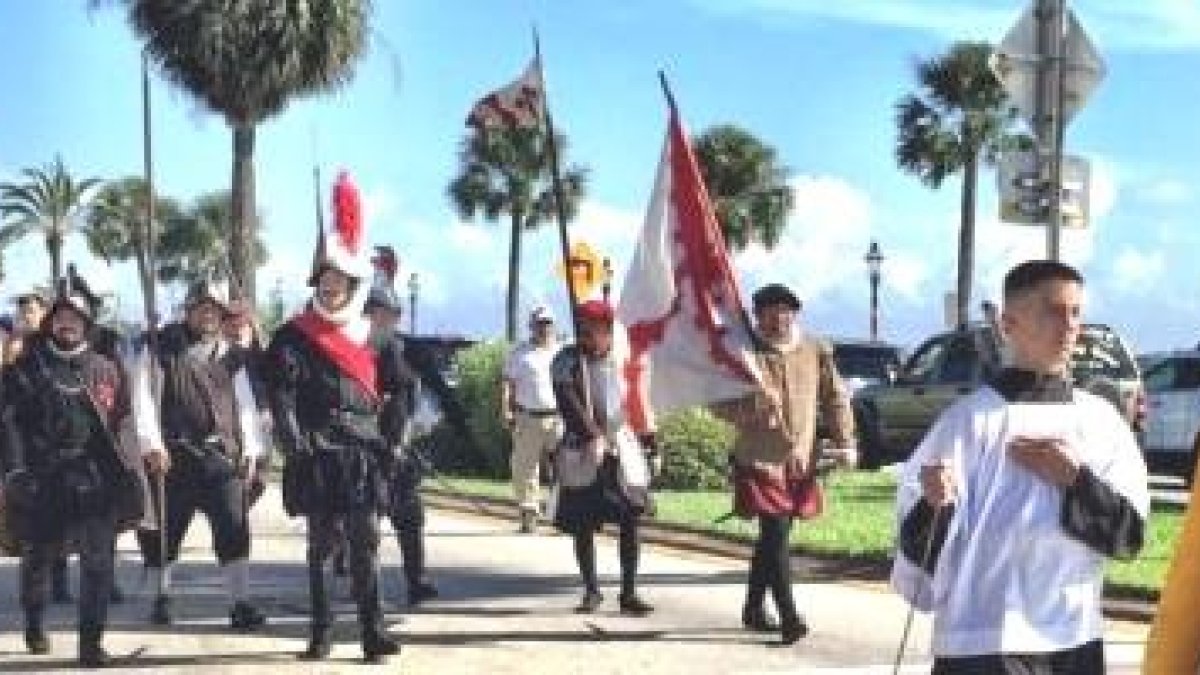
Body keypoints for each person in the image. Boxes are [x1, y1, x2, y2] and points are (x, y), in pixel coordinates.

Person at [891, 261, 1149, 674]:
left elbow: (1129, 537)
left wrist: (1076, 481)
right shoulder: (966, 422)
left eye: (1076, 312)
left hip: (1073, 637)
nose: (1069, 327)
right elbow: (917, 550)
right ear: (1008, 324)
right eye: (1052, 311)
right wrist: (934, 502)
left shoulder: (1102, 423)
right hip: (983, 638)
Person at [266, 171, 400, 663]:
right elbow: (279, 394)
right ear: (315, 284)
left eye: (339, 280)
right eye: (324, 280)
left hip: (363, 452)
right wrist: (293, 442)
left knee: (365, 544)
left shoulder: (376, 337)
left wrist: (395, 437)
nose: (331, 287)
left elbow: (401, 392)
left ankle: (371, 633)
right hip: (317, 451)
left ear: (352, 285)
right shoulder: (293, 335)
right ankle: (320, 635)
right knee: (321, 547)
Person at [1, 278, 142, 666]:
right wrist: (14, 472)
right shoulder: (26, 368)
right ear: (50, 323)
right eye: (60, 317)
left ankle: (90, 646)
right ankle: (33, 620)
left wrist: (133, 463)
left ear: (87, 323)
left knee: (98, 563)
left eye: (75, 318)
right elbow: (8, 423)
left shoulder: (106, 369)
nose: (67, 324)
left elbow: (124, 420)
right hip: (42, 478)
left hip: (94, 478)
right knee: (38, 558)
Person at [712, 283, 856, 646]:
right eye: (771, 311)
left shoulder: (814, 349)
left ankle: (753, 607)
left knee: (773, 538)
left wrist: (845, 441)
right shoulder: (744, 355)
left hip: (800, 461)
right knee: (776, 536)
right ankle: (789, 615)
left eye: (786, 310)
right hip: (760, 461)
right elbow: (717, 405)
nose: (779, 318)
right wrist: (754, 406)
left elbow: (835, 397)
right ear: (757, 316)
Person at [131, 280, 268, 630]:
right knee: (165, 532)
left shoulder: (232, 355)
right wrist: (151, 444)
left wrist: (252, 449)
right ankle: (162, 597)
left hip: (219, 456)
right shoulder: (160, 347)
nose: (208, 315)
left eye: (214, 310)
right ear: (189, 311)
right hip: (172, 456)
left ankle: (240, 603)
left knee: (233, 527)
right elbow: (143, 397)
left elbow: (246, 406)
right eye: (202, 308)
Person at [550, 299, 656, 616]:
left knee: (630, 518)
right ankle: (591, 590)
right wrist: (591, 436)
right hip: (582, 448)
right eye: (582, 329)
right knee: (583, 521)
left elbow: (639, 403)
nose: (586, 336)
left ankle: (628, 591)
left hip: (621, 445)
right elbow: (569, 402)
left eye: (593, 330)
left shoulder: (626, 359)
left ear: (608, 332)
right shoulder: (565, 361)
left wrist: (652, 443)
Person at [502, 305, 563, 533]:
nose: (544, 327)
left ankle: (561, 513)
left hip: (558, 417)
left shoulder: (562, 352)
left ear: (554, 325)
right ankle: (529, 514)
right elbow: (508, 383)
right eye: (539, 323)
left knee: (566, 467)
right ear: (531, 326)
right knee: (524, 468)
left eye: (547, 323)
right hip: (528, 417)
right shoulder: (519, 353)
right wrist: (506, 410)